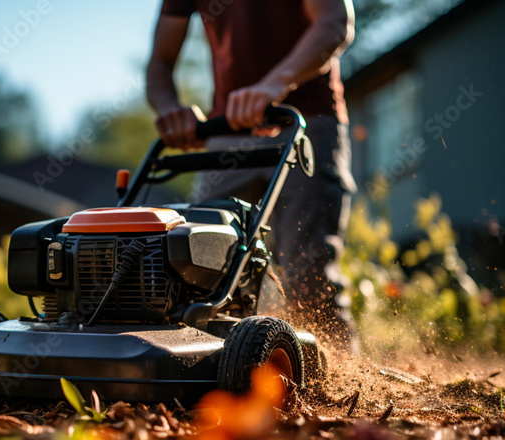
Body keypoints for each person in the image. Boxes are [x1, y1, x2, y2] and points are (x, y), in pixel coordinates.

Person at [146, 0, 358, 349]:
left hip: (304, 118)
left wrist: (276, 83)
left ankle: (339, 380)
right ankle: (210, 374)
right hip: (228, 129)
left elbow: (335, 22)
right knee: (200, 263)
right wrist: (170, 109)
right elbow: (159, 62)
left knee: (308, 272)